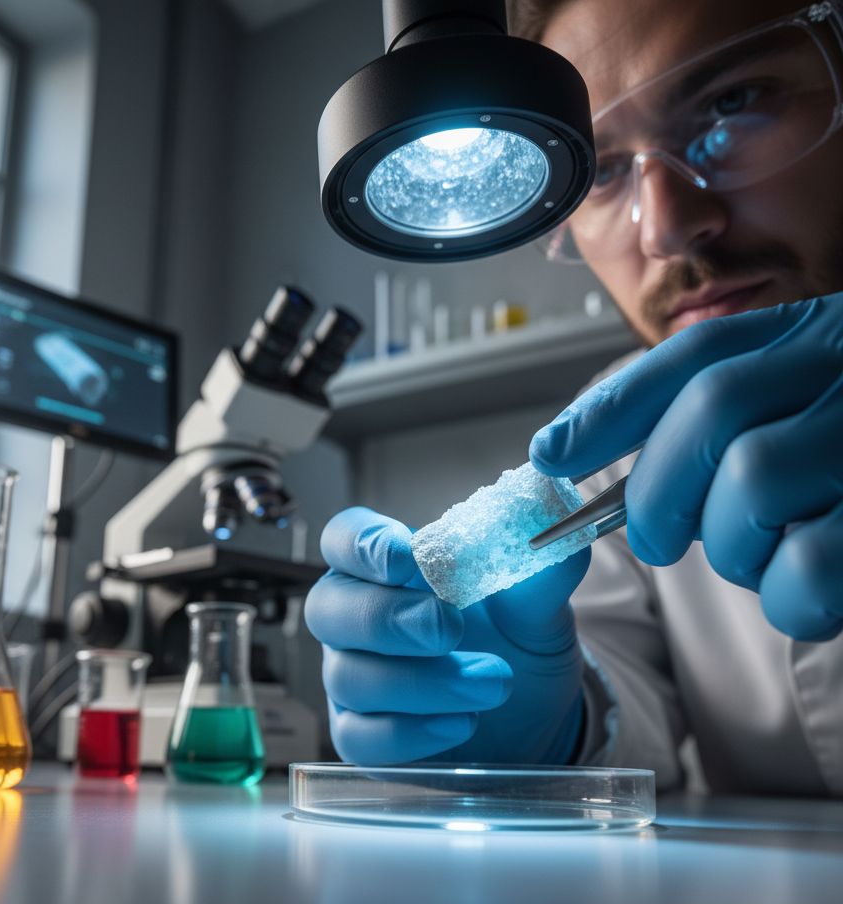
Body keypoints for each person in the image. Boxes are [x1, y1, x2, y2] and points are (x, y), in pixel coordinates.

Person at [304, 0, 843, 795]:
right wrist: (548, 728)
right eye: (604, 167)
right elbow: (631, 723)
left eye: (732, 103)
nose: (663, 228)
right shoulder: (622, 428)